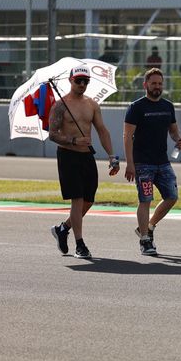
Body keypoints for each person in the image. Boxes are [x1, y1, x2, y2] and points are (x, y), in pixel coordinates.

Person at [49, 65, 120, 259]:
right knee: (77, 199)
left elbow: (102, 130)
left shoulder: (92, 104)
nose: (82, 84)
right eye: (78, 80)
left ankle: (63, 228)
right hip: (68, 156)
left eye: (85, 81)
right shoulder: (60, 105)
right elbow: (52, 134)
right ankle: (80, 244)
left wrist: (112, 156)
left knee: (88, 200)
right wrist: (73, 140)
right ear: (70, 81)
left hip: (86, 156)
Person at [123, 68, 181, 255]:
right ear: (145, 85)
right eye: (153, 83)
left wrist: (178, 138)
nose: (157, 87)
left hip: (163, 162)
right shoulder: (136, 107)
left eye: (159, 84)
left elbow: (173, 130)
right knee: (146, 200)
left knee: (172, 196)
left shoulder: (168, 106)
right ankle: (145, 241)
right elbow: (127, 136)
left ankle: (149, 227)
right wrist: (130, 163)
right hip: (143, 165)